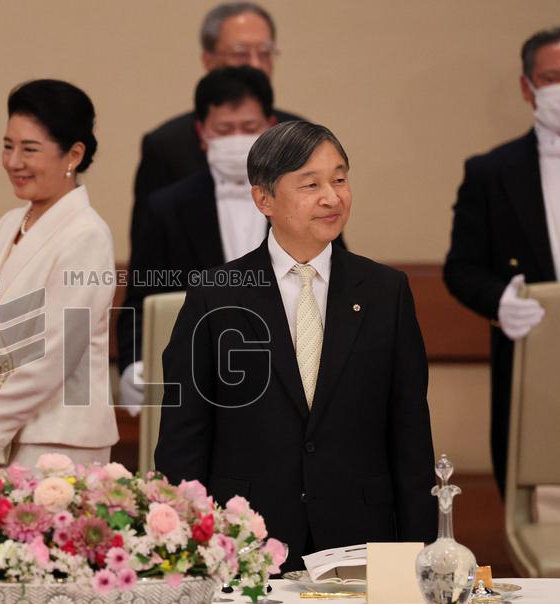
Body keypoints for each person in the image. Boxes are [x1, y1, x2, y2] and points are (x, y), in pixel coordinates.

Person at [155, 122, 436, 571]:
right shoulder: (217, 294)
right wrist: (186, 548)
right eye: (311, 184)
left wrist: (420, 553)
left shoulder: (386, 291)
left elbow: (410, 433)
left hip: (359, 535)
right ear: (264, 199)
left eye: (340, 179)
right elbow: (183, 436)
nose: (332, 197)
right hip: (246, 538)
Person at [444, 26, 560, 494]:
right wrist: (499, 301)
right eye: (552, 78)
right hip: (534, 371)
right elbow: (461, 268)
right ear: (527, 87)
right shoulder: (490, 172)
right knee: (538, 500)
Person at [117, 66, 276, 411]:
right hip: (194, 379)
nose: (237, 139)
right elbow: (141, 296)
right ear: (202, 133)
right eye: (224, 129)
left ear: (271, 128)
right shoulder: (167, 207)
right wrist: (133, 363)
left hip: (282, 374)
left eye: (249, 128)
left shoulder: (299, 201)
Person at [0, 79, 118, 467]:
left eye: (29, 149)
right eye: (8, 146)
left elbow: (55, 354)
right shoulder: (8, 224)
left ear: (73, 154)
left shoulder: (88, 234)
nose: (13, 162)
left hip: (60, 443)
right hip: (0, 434)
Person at [130, 2, 303, 253]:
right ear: (208, 60)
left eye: (264, 53)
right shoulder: (167, 146)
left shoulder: (300, 138)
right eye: (241, 53)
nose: (255, 65)